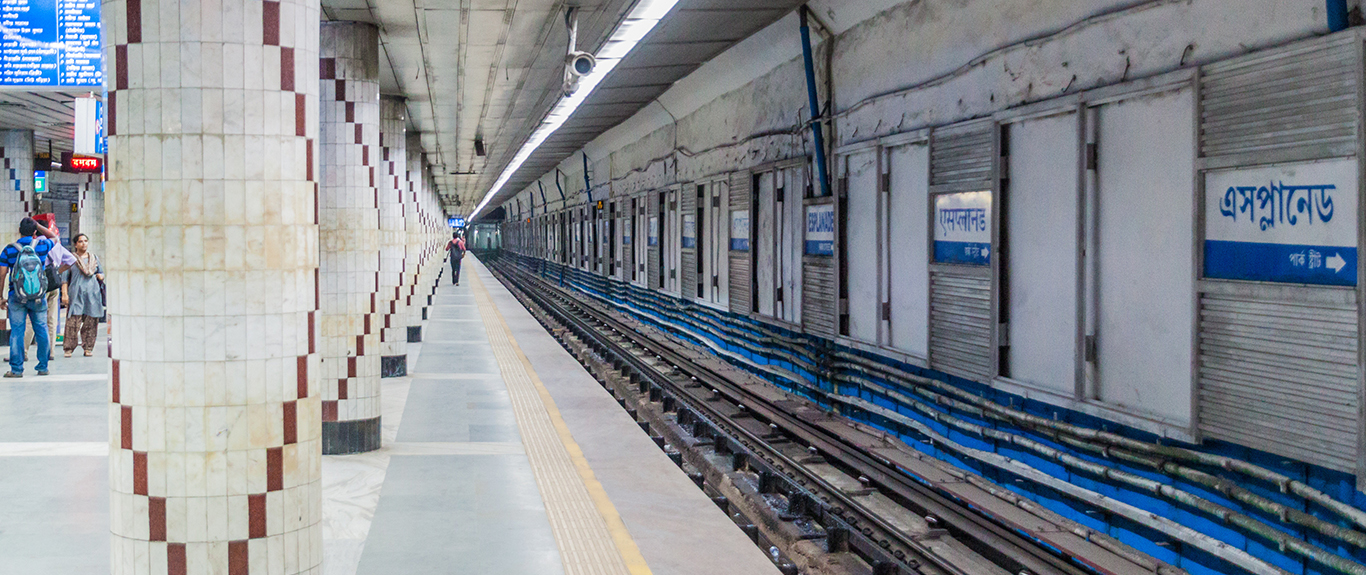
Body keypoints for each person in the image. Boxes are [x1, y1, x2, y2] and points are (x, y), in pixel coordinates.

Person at [0, 217, 64, 377]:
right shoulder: (42, 245)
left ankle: (16, 369)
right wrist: (39, 227)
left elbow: (2, 274)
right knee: (41, 328)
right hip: (38, 295)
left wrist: (0, 297)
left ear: (18, 231)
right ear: (35, 231)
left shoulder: (9, 249)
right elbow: (55, 238)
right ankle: (43, 366)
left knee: (17, 331)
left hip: (16, 295)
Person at [26, 221, 75, 360]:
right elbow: (71, 260)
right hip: (54, 285)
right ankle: (50, 352)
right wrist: (57, 272)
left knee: (31, 319)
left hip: (39, 286)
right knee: (52, 320)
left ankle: (23, 351)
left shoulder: (35, 245)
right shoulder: (56, 245)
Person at [61, 233, 103, 357]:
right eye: (80, 241)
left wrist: (101, 276)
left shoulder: (94, 258)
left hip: (92, 294)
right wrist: (64, 294)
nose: (83, 243)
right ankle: (68, 349)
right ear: (75, 244)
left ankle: (88, 348)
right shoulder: (70, 259)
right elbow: (64, 279)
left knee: (91, 322)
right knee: (73, 322)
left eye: (85, 241)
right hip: (76, 295)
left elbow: (100, 272)